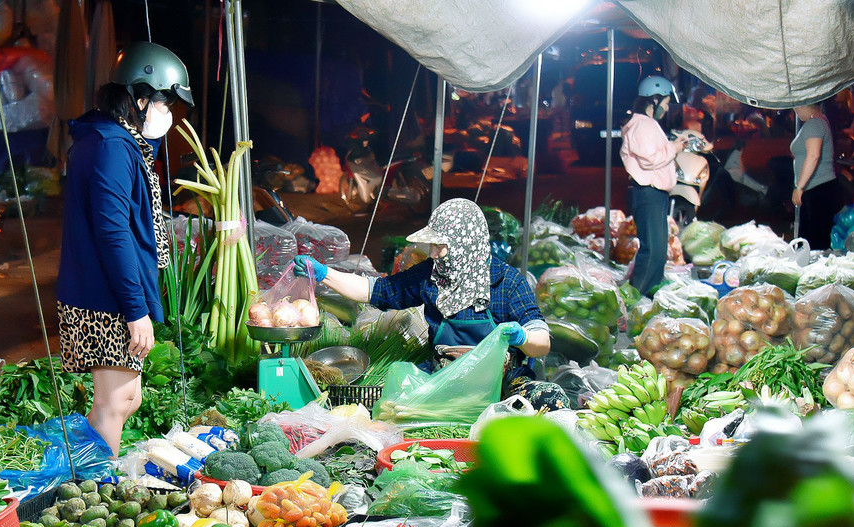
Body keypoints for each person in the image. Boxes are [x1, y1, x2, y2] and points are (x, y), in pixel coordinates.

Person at [293, 198, 567, 408]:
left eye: (441, 246)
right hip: (444, 375)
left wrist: (522, 337)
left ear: (465, 244)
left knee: (548, 399)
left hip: (500, 381)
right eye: (432, 246)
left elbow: (542, 342)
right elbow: (375, 291)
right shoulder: (431, 275)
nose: (433, 254)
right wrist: (325, 274)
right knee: (392, 404)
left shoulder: (506, 282)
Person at [55, 42, 194, 456]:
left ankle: (93, 472)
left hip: (107, 288)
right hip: (104, 296)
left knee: (128, 399)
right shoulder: (111, 146)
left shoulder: (115, 138)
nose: (168, 114)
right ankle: (98, 486)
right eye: (165, 102)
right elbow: (113, 232)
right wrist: (136, 310)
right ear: (140, 98)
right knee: (114, 402)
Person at [620, 76, 691, 296]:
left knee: (658, 251)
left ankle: (647, 295)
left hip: (654, 194)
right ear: (655, 100)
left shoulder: (647, 124)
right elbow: (649, 159)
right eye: (666, 103)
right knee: (652, 251)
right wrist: (674, 148)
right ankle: (636, 298)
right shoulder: (642, 124)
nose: (667, 108)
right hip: (648, 193)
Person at [791, 103, 841, 250]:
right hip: (817, 189)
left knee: (814, 243)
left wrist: (799, 187)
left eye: (797, 106)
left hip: (818, 189)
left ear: (805, 105)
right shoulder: (818, 122)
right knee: (813, 240)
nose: (795, 110)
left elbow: (813, 155)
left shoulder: (814, 124)